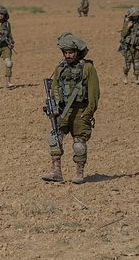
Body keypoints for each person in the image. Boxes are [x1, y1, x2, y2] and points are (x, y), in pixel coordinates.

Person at [41, 32, 100, 185]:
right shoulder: (60, 68)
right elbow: (54, 89)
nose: (68, 55)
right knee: (55, 137)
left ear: (78, 52)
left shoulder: (87, 69)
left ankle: (79, 173)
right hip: (62, 112)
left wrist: (88, 114)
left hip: (81, 111)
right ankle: (56, 172)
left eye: (71, 52)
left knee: (79, 143)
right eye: (65, 52)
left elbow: (94, 94)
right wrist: (53, 107)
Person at [119, 7, 139, 84]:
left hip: (136, 46)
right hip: (128, 46)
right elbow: (123, 34)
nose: (135, 17)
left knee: (136, 62)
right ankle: (125, 75)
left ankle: (137, 77)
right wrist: (128, 27)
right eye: (134, 15)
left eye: (137, 15)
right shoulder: (127, 22)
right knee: (127, 63)